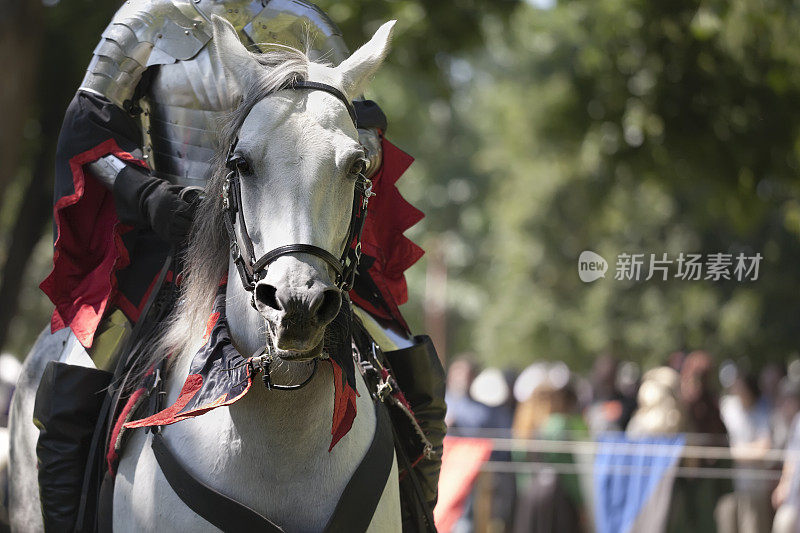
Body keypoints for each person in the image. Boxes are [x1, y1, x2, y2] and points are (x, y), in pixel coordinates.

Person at [33, 2, 444, 530]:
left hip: (290, 234)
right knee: (74, 378)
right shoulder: (145, 18)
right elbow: (87, 130)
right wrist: (145, 192)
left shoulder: (305, 21)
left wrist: (341, 154)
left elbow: (359, 125)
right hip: (170, 239)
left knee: (410, 360)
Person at [716, 373, 775, 533]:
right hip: (728, 485)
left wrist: (734, 452)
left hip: (754, 486)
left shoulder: (762, 410)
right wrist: (745, 451)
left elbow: (763, 448)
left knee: (752, 527)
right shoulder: (727, 407)